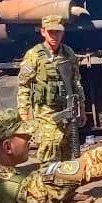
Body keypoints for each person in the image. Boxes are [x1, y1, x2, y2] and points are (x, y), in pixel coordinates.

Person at [18, 15, 85, 165]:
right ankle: (48, 183)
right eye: (51, 32)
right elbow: (24, 85)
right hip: (45, 111)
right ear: (43, 32)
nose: (55, 36)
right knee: (49, 147)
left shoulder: (68, 53)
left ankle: (65, 185)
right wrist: (24, 112)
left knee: (68, 150)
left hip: (67, 109)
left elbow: (76, 82)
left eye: (58, 32)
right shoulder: (34, 55)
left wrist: (81, 106)